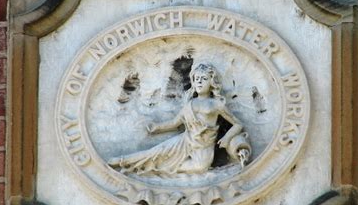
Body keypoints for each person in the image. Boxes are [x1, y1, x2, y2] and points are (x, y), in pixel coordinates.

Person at [108, 63, 251, 176]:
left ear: (211, 82)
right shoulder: (190, 104)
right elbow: (175, 123)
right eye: (197, 79)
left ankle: (158, 168)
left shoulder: (216, 105)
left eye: (204, 79)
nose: (200, 82)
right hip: (185, 140)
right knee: (156, 152)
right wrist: (157, 127)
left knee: (200, 168)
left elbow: (238, 124)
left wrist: (227, 138)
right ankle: (122, 161)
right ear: (193, 82)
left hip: (203, 146)